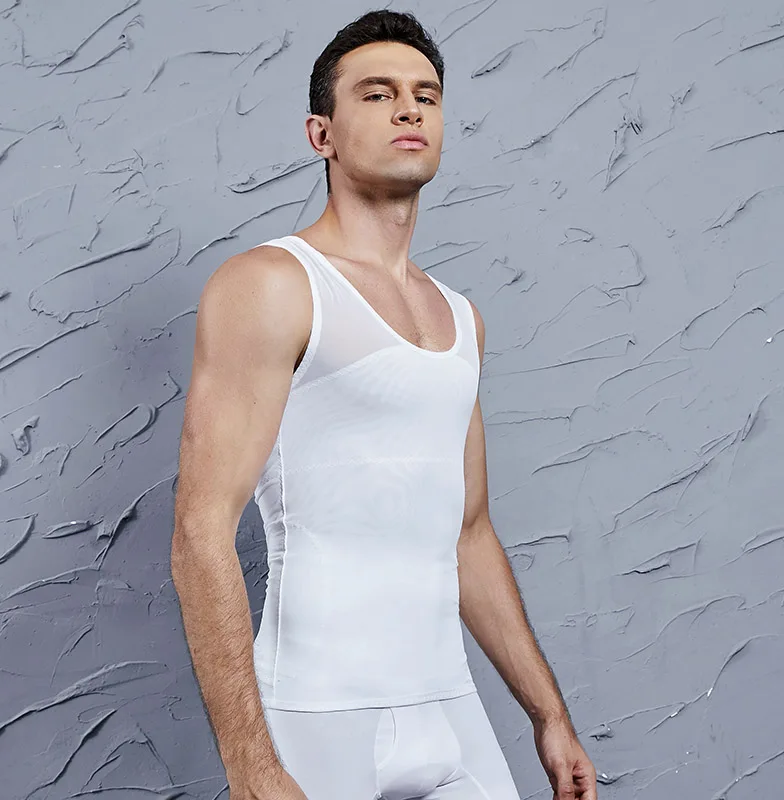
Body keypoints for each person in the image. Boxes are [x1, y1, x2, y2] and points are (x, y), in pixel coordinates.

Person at [171, 9, 598, 800]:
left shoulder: (462, 319)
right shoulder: (271, 285)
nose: (409, 110)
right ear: (321, 135)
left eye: (425, 96)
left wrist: (548, 716)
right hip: (318, 713)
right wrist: (250, 765)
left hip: (448, 706)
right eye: (377, 94)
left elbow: (468, 533)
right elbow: (200, 529)